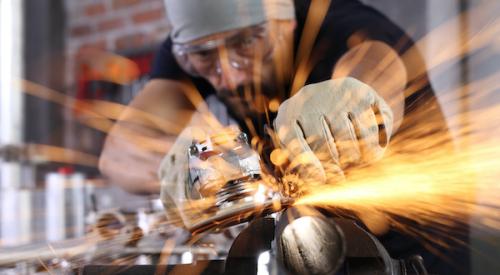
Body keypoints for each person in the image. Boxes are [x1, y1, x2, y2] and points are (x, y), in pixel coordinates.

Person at [98, 0, 469, 273]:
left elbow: (376, 67)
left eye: (246, 45)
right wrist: (172, 162)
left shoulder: (344, 25)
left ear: (285, 22)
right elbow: (117, 154)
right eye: (204, 59)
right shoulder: (203, 40)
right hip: (310, 250)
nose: (231, 75)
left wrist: (352, 98)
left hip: (417, 255)